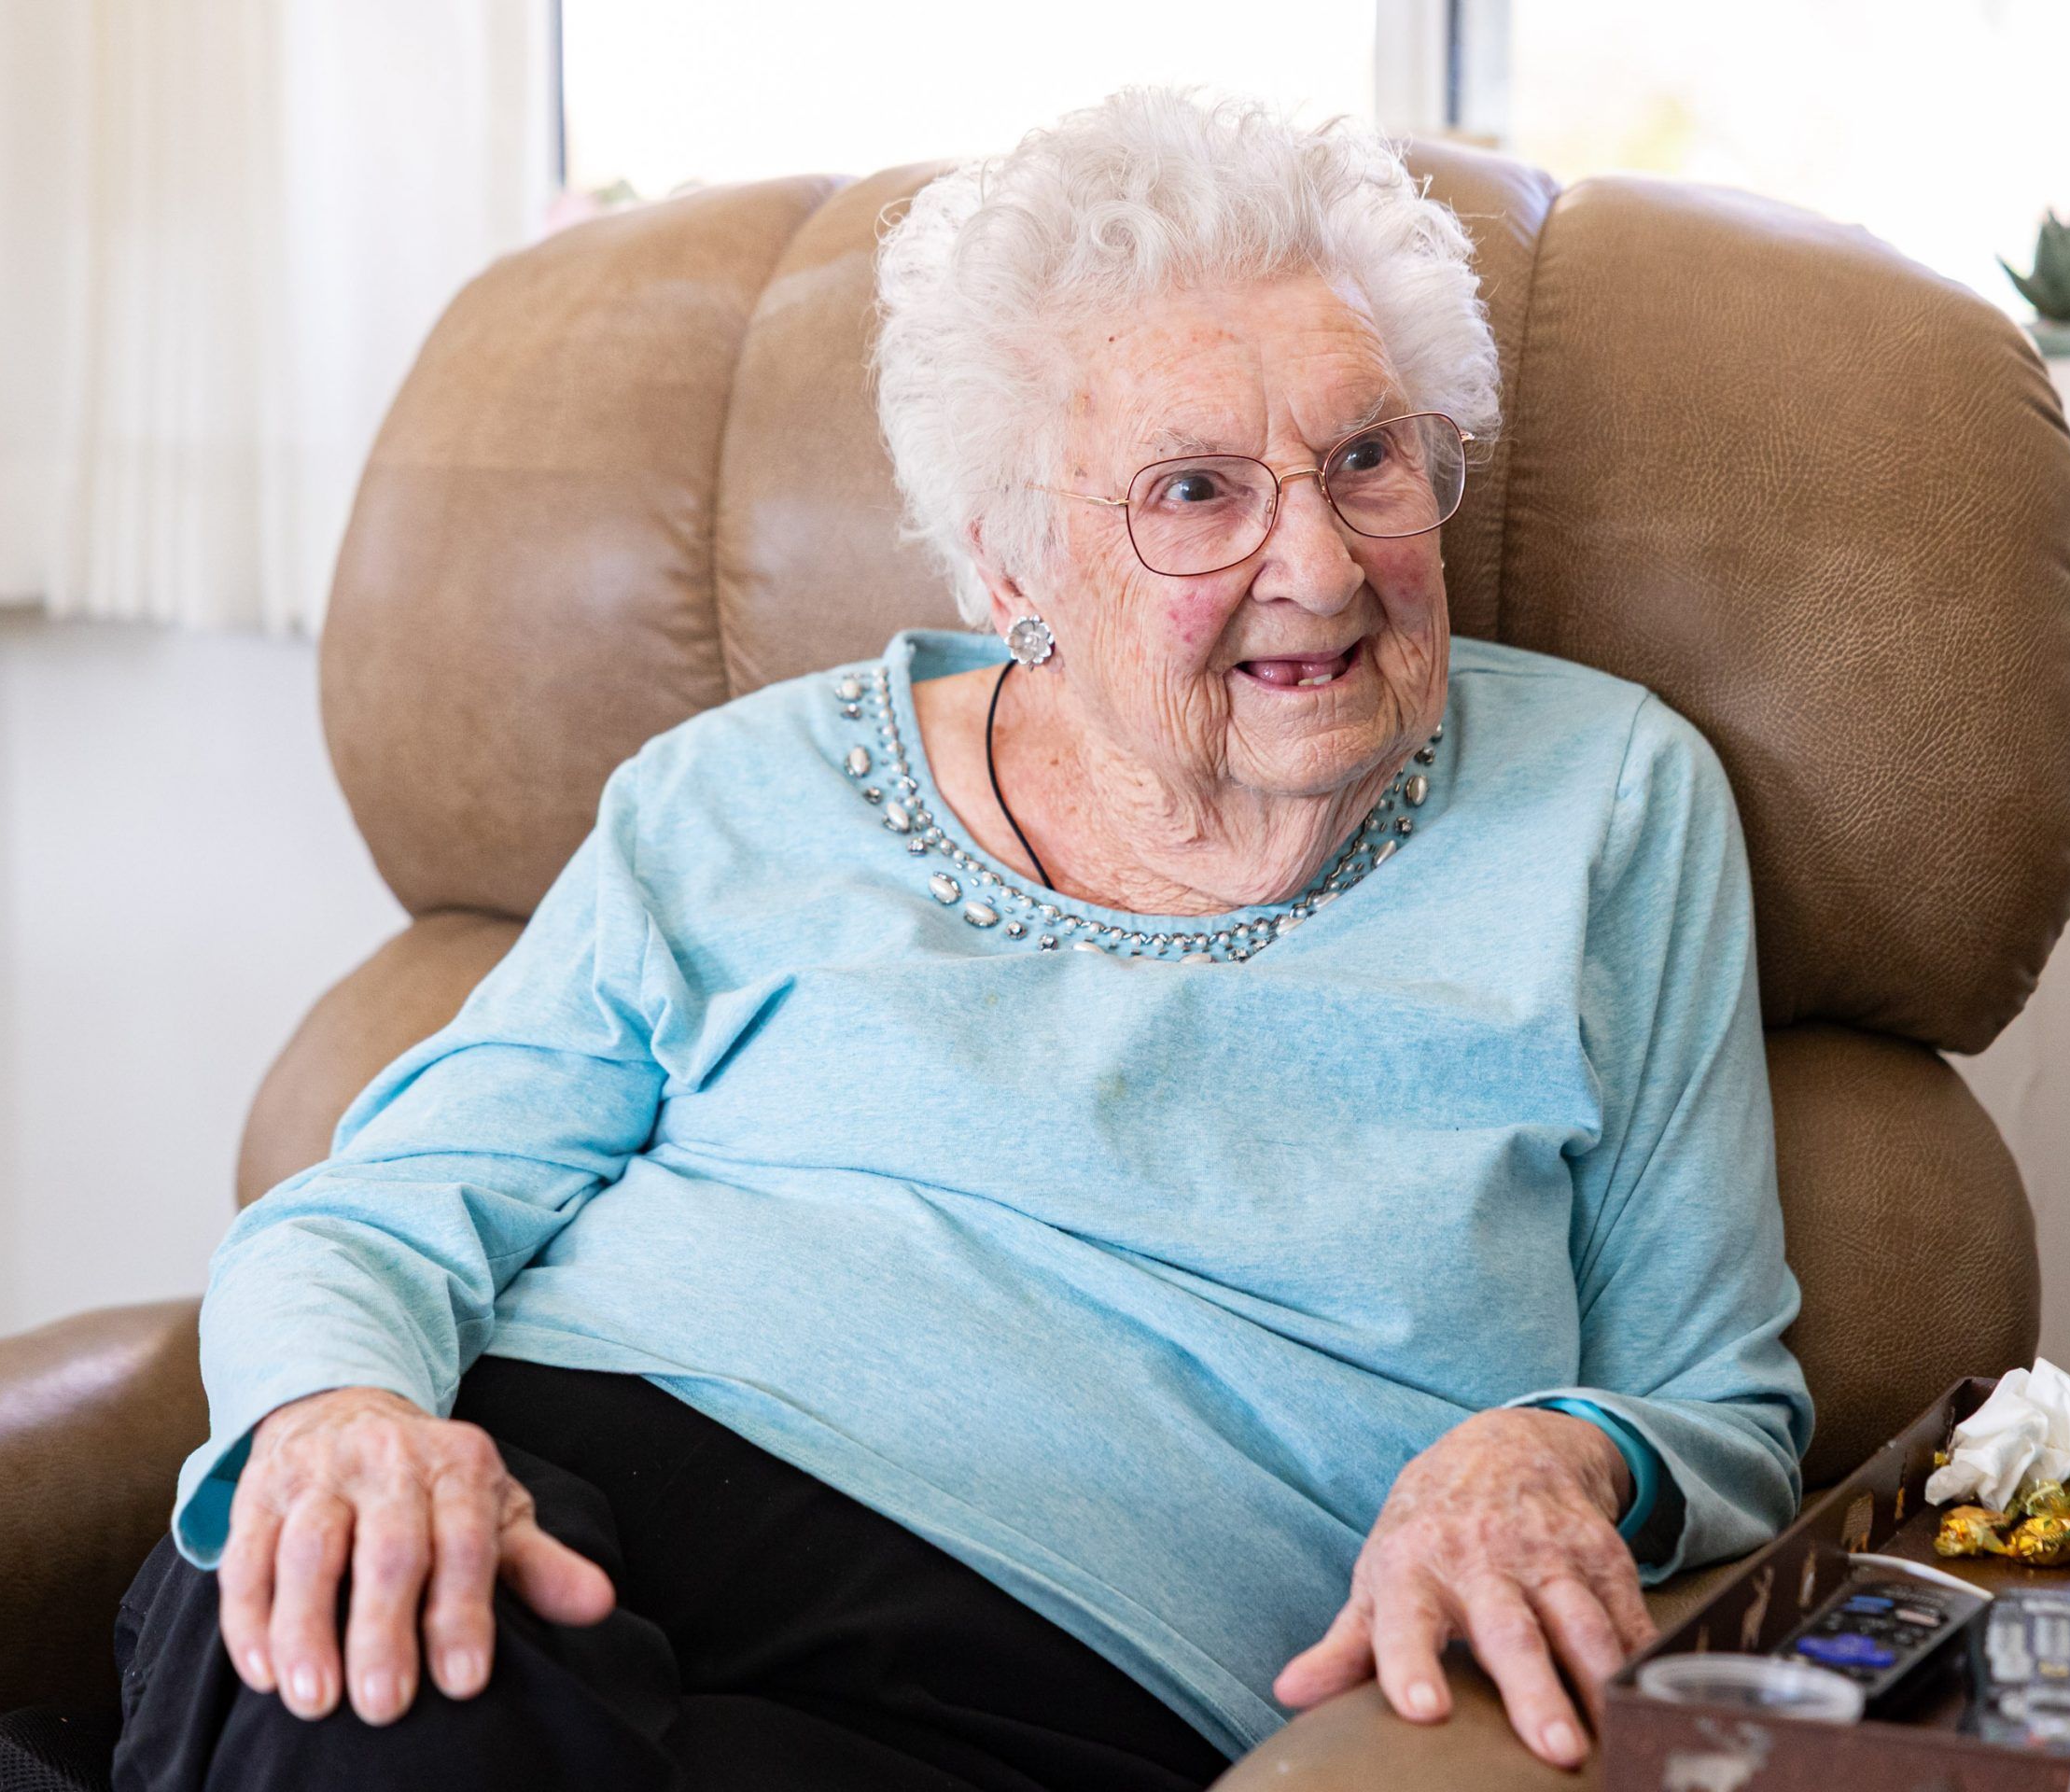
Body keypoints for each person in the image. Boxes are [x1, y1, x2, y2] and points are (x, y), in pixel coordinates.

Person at [113, 87, 1810, 1791]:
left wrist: (1544, 1451)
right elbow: (377, 1210)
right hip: (529, 1498)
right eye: (1197, 492)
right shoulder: (739, 796)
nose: (1318, 560)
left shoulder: (1608, 806)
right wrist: (347, 1422)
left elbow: (1719, 1402)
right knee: (402, 1683)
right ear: (1011, 575)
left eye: (1368, 458)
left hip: (1053, 1679)